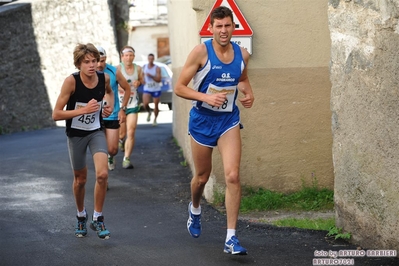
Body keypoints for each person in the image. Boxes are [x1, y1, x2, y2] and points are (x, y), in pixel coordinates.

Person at [174, 6, 255, 255]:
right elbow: (179, 87)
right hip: (202, 121)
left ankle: (231, 238)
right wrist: (206, 98)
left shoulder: (242, 54)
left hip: (228, 121)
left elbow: (242, 78)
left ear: (234, 27)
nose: (223, 30)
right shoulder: (201, 52)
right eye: (218, 26)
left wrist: (248, 92)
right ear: (211, 29)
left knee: (232, 176)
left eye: (227, 26)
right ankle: (195, 208)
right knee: (202, 177)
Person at [52, 43, 114, 240]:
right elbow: (56, 114)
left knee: (103, 174)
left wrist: (108, 108)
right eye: (86, 62)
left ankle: (98, 217)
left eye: (94, 61)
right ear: (78, 64)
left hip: (96, 131)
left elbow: (110, 94)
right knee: (80, 180)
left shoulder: (104, 78)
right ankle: (81, 216)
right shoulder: (71, 82)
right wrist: (82, 111)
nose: (92, 65)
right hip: (76, 134)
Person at [96, 46, 131, 172]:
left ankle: (111, 157)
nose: (100, 64)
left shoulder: (113, 71)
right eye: (97, 60)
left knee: (112, 149)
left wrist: (123, 109)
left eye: (103, 60)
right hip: (95, 116)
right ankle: (103, 178)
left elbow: (127, 89)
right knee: (100, 149)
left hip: (112, 114)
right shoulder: (89, 72)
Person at [117, 46, 144, 169]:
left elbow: (142, 81)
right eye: (126, 55)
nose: (128, 58)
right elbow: (111, 84)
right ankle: (121, 140)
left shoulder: (138, 69)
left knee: (131, 132)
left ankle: (126, 159)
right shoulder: (117, 69)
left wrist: (138, 83)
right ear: (122, 57)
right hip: (121, 104)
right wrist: (121, 87)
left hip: (133, 103)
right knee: (121, 133)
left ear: (133, 56)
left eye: (131, 55)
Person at [142, 53, 162, 126]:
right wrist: (142, 81)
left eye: (152, 59)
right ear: (148, 59)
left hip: (156, 89)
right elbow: (141, 77)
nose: (150, 60)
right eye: (149, 59)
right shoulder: (144, 67)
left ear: (153, 59)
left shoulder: (157, 68)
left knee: (156, 105)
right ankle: (149, 112)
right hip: (147, 88)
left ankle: (155, 120)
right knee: (145, 104)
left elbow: (159, 80)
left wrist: (151, 76)